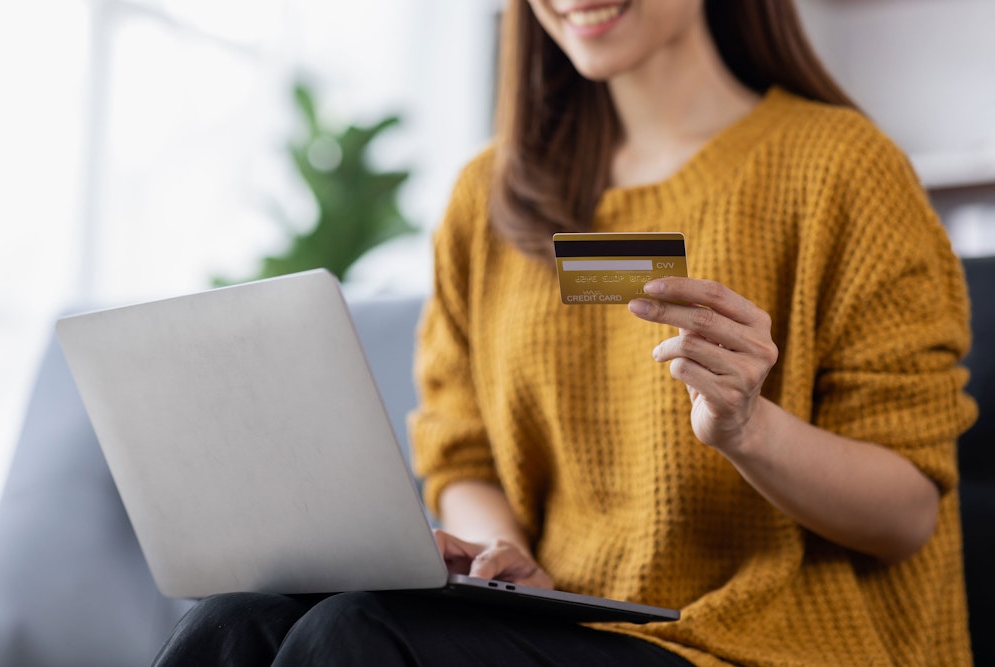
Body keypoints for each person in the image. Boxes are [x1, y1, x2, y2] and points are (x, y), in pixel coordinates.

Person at [153, 0, 978, 665]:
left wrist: (749, 428)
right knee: (232, 625)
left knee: (356, 635)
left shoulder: (844, 168)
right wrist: (501, 563)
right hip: (561, 620)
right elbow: (463, 455)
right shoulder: (486, 196)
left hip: (760, 642)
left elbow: (908, 511)